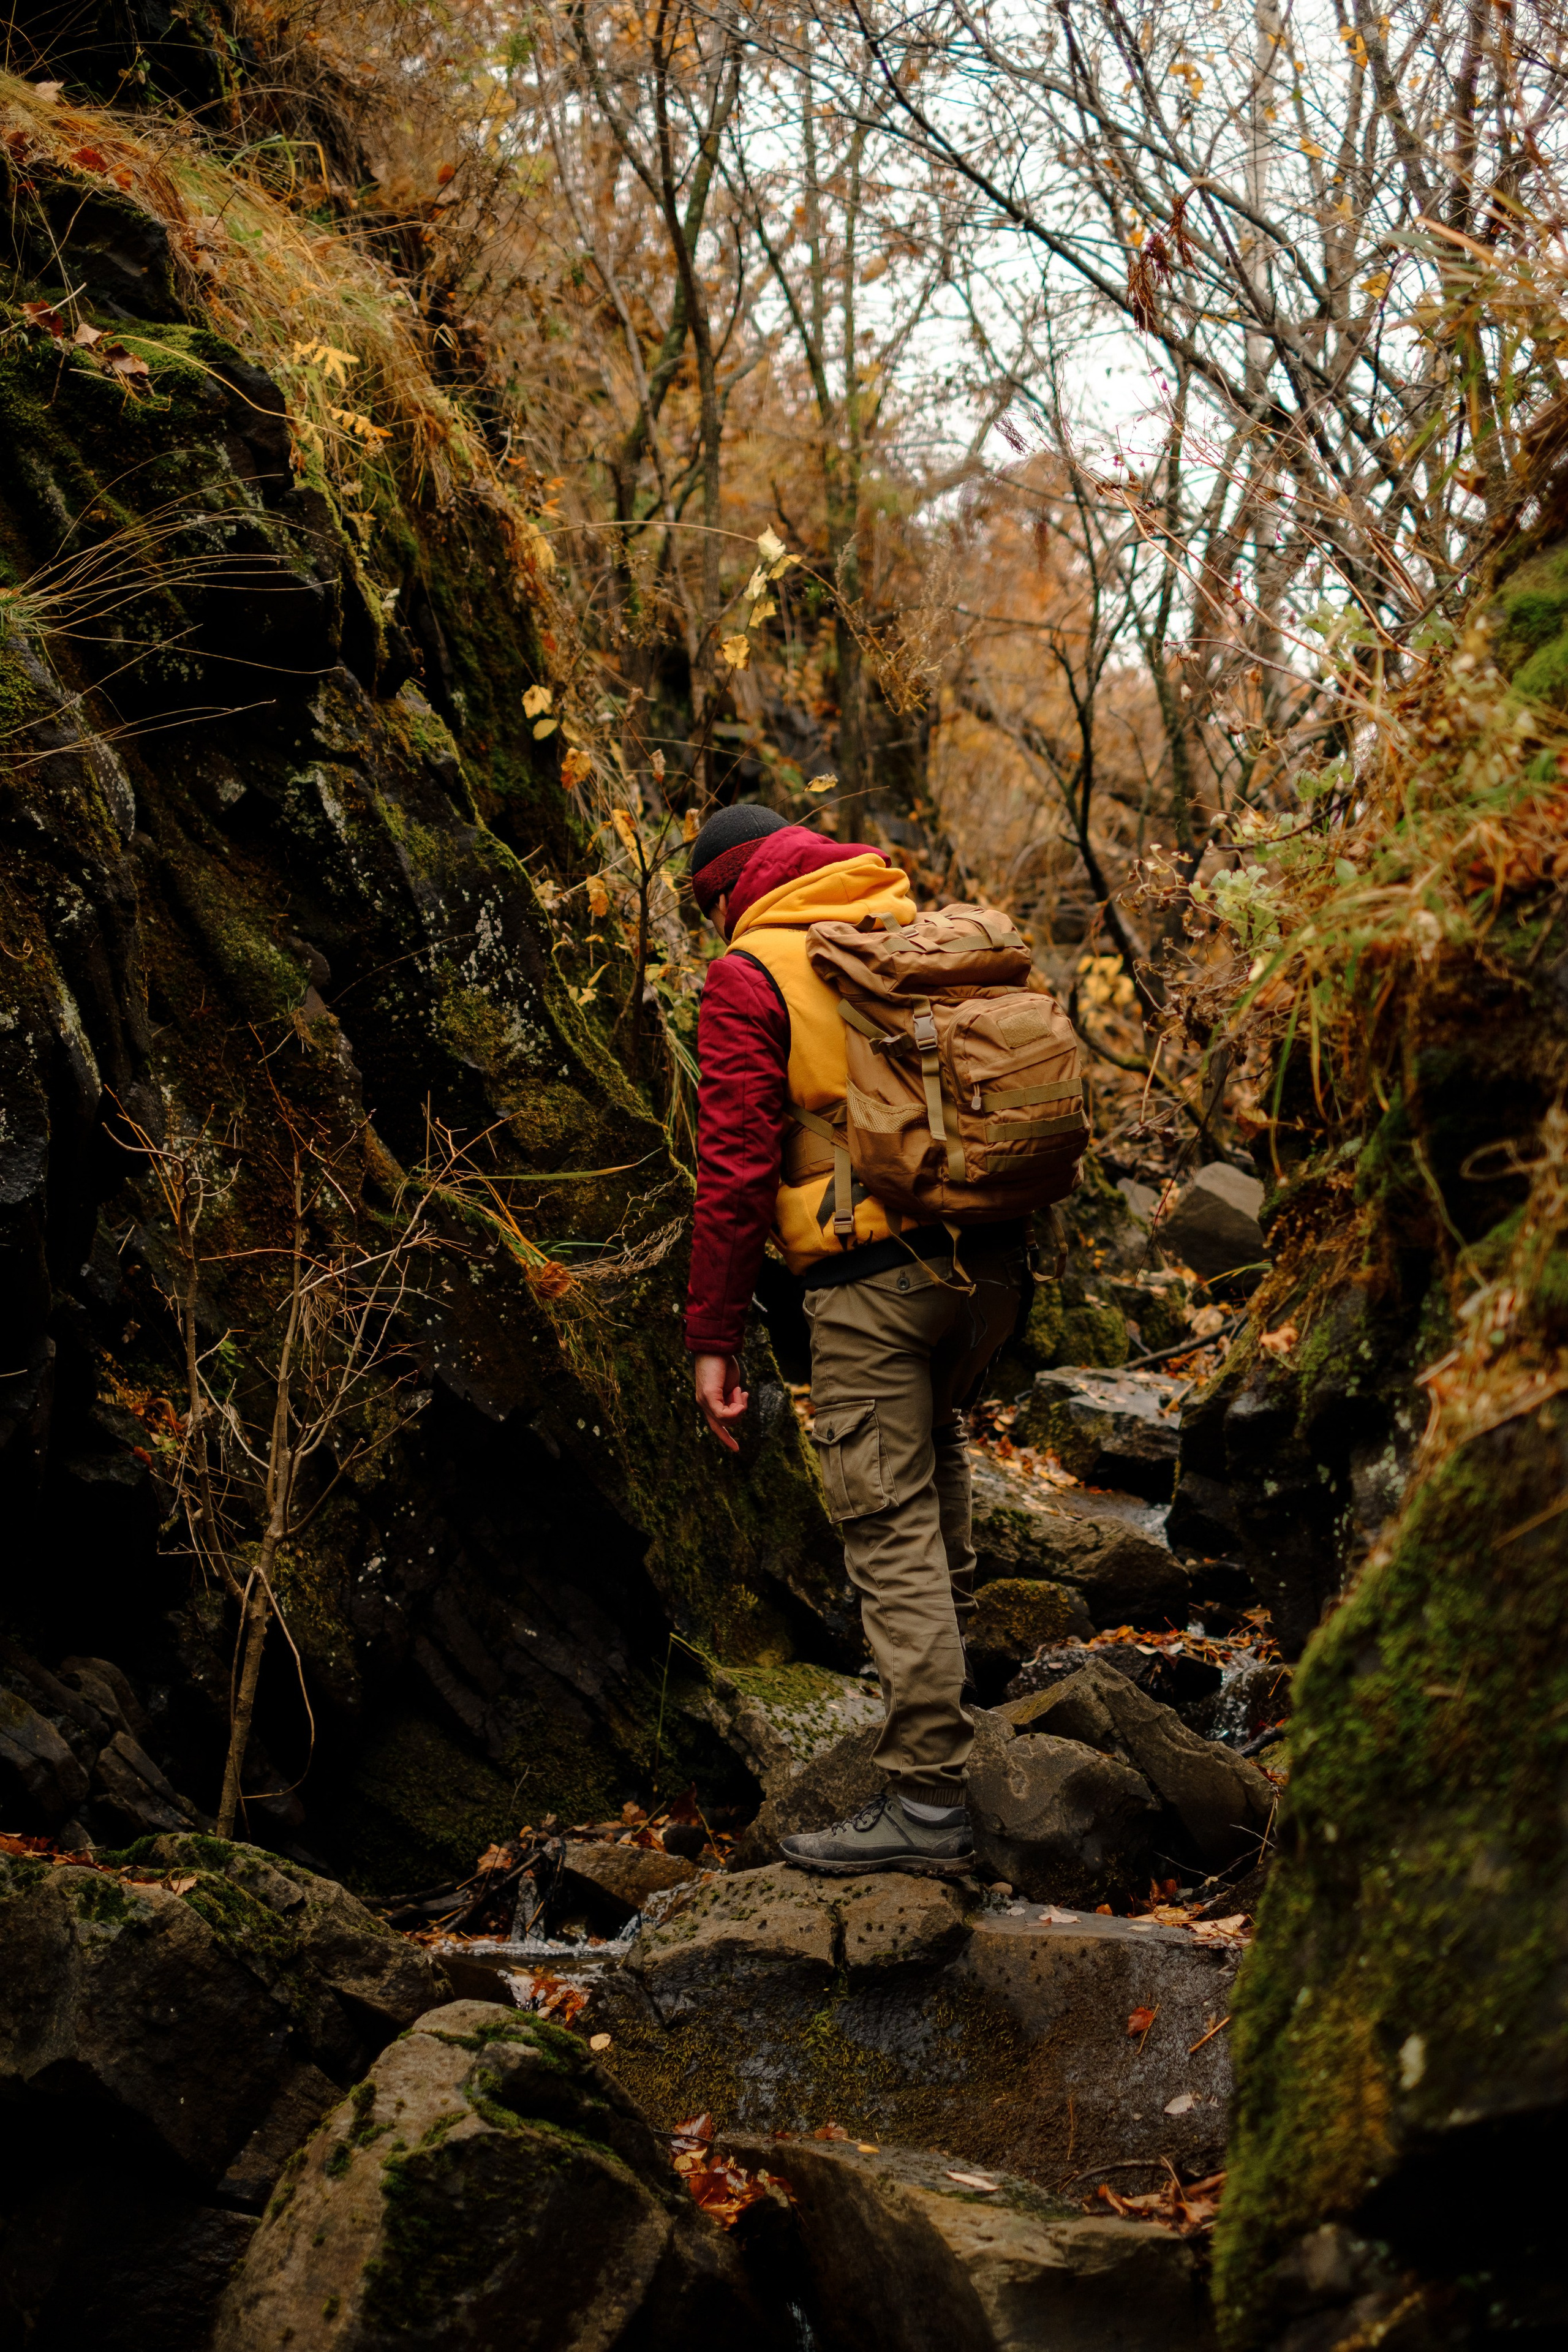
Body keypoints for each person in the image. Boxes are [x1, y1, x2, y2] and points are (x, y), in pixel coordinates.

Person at [684, 805, 1029, 1876]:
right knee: (937, 1458)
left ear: (733, 886)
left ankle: (928, 1797)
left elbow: (735, 1167)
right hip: (989, 1265)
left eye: (710, 907)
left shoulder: (754, 972)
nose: (714, 926)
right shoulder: (903, 924)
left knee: (882, 1514)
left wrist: (715, 1336)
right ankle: (959, 1702)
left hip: (869, 1274)